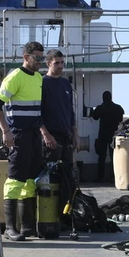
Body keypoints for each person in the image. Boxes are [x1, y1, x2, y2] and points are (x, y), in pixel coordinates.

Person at [0, 41, 53, 240]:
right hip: (18, 134)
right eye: (37, 58)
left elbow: (37, 111)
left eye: (43, 58)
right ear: (26, 57)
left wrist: (44, 132)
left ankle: (27, 227)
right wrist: (6, 131)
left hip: (34, 135)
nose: (41, 62)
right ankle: (10, 229)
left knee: (29, 180)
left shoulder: (38, 78)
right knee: (15, 179)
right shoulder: (15, 77)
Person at [40, 50, 78, 226]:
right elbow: (37, 113)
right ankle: (49, 216)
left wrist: (75, 134)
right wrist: (45, 134)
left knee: (68, 177)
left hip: (66, 136)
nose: (61, 66)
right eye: (57, 63)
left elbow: (70, 112)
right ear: (48, 63)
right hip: (51, 137)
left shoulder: (65, 84)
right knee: (51, 177)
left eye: (62, 63)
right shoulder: (42, 83)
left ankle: (65, 214)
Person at [89, 91, 125, 183]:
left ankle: (100, 177)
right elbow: (120, 119)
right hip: (113, 134)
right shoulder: (117, 108)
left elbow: (95, 117)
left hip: (103, 134)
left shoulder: (101, 108)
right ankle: (114, 177)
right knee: (114, 156)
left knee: (102, 157)